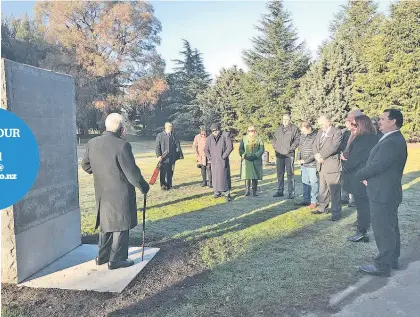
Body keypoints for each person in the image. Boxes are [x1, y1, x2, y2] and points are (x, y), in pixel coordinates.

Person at [81, 113, 149, 270]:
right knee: (120, 225)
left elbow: (86, 165)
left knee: (106, 224)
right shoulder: (122, 145)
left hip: (102, 192)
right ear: (121, 128)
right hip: (120, 193)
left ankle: (102, 257)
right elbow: (132, 173)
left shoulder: (92, 143)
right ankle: (116, 260)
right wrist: (144, 187)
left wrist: (101, 172)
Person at [356, 109, 407, 277]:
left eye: (382, 119)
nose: (379, 121)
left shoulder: (392, 141)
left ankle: (382, 266)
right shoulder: (392, 139)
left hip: (383, 193)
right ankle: (392, 259)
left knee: (383, 229)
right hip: (386, 191)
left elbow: (378, 165)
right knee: (390, 226)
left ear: (393, 122)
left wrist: (360, 175)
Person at [341, 115, 378, 242]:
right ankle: (363, 228)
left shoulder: (364, 139)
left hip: (359, 176)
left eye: (355, 125)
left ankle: (362, 231)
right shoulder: (372, 137)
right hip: (363, 175)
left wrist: (345, 163)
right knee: (364, 205)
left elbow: (355, 159)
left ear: (362, 125)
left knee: (362, 205)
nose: (352, 127)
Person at [312, 114, 343, 221]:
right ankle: (322, 208)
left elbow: (334, 147)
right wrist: (316, 155)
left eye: (322, 123)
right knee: (322, 189)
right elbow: (314, 145)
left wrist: (321, 156)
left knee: (334, 190)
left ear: (328, 122)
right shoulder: (320, 132)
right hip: (320, 165)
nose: (320, 125)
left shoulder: (336, 132)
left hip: (331, 165)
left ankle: (336, 213)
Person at [272, 114, 300, 199]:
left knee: (290, 174)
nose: (285, 121)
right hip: (279, 154)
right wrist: (275, 146)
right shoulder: (278, 129)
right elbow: (274, 139)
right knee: (279, 174)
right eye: (284, 119)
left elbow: (298, 139)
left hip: (289, 155)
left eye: (287, 119)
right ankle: (280, 191)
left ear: (290, 120)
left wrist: (291, 148)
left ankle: (291, 192)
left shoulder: (294, 128)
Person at [204, 123, 233, 202]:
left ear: (219, 129)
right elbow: (206, 149)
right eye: (213, 131)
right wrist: (210, 158)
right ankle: (217, 192)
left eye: (216, 130)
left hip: (223, 161)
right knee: (215, 177)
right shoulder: (209, 138)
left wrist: (224, 156)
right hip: (214, 162)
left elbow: (230, 147)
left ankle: (226, 193)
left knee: (224, 177)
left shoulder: (225, 136)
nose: (215, 132)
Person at [340, 109, 363, 207]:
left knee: (354, 180)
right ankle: (344, 197)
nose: (348, 123)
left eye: (350, 121)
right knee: (345, 179)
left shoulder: (360, 132)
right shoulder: (345, 133)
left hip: (355, 161)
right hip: (345, 160)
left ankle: (353, 200)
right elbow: (342, 144)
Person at [296, 121, 318, 209]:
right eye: (302, 131)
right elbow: (299, 148)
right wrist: (298, 159)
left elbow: (315, 152)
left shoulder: (315, 136)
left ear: (309, 128)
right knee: (305, 182)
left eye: (304, 131)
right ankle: (306, 199)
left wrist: (305, 161)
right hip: (303, 164)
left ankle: (314, 201)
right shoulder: (302, 136)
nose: (303, 133)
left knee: (313, 183)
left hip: (312, 164)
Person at [155, 122, 184, 190]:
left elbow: (177, 145)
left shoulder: (174, 135)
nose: (170, 128)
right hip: (163, 158)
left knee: (170, 171)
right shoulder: (160, 135)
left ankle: (169, 185)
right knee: (163, 171)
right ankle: (163, 185)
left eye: (171, 126)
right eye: (169, 126)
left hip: (172, 157)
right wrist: (159, 156)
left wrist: (179, 154)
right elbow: (157, 147)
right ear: (165, 127)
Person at [239, 126, 265, 197]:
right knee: (247, 176)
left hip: (256, 160)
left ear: (255, 131)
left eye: (252, 130)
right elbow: (241, 149)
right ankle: (247, 190)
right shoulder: (244, 139)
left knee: (255, 176)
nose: (251, 132)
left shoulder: (259, 139)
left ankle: (254, 191)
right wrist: (245, 156)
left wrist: (256, 156)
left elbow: (262, 149)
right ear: (247, 131)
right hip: (247, 160)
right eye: (249, 131)